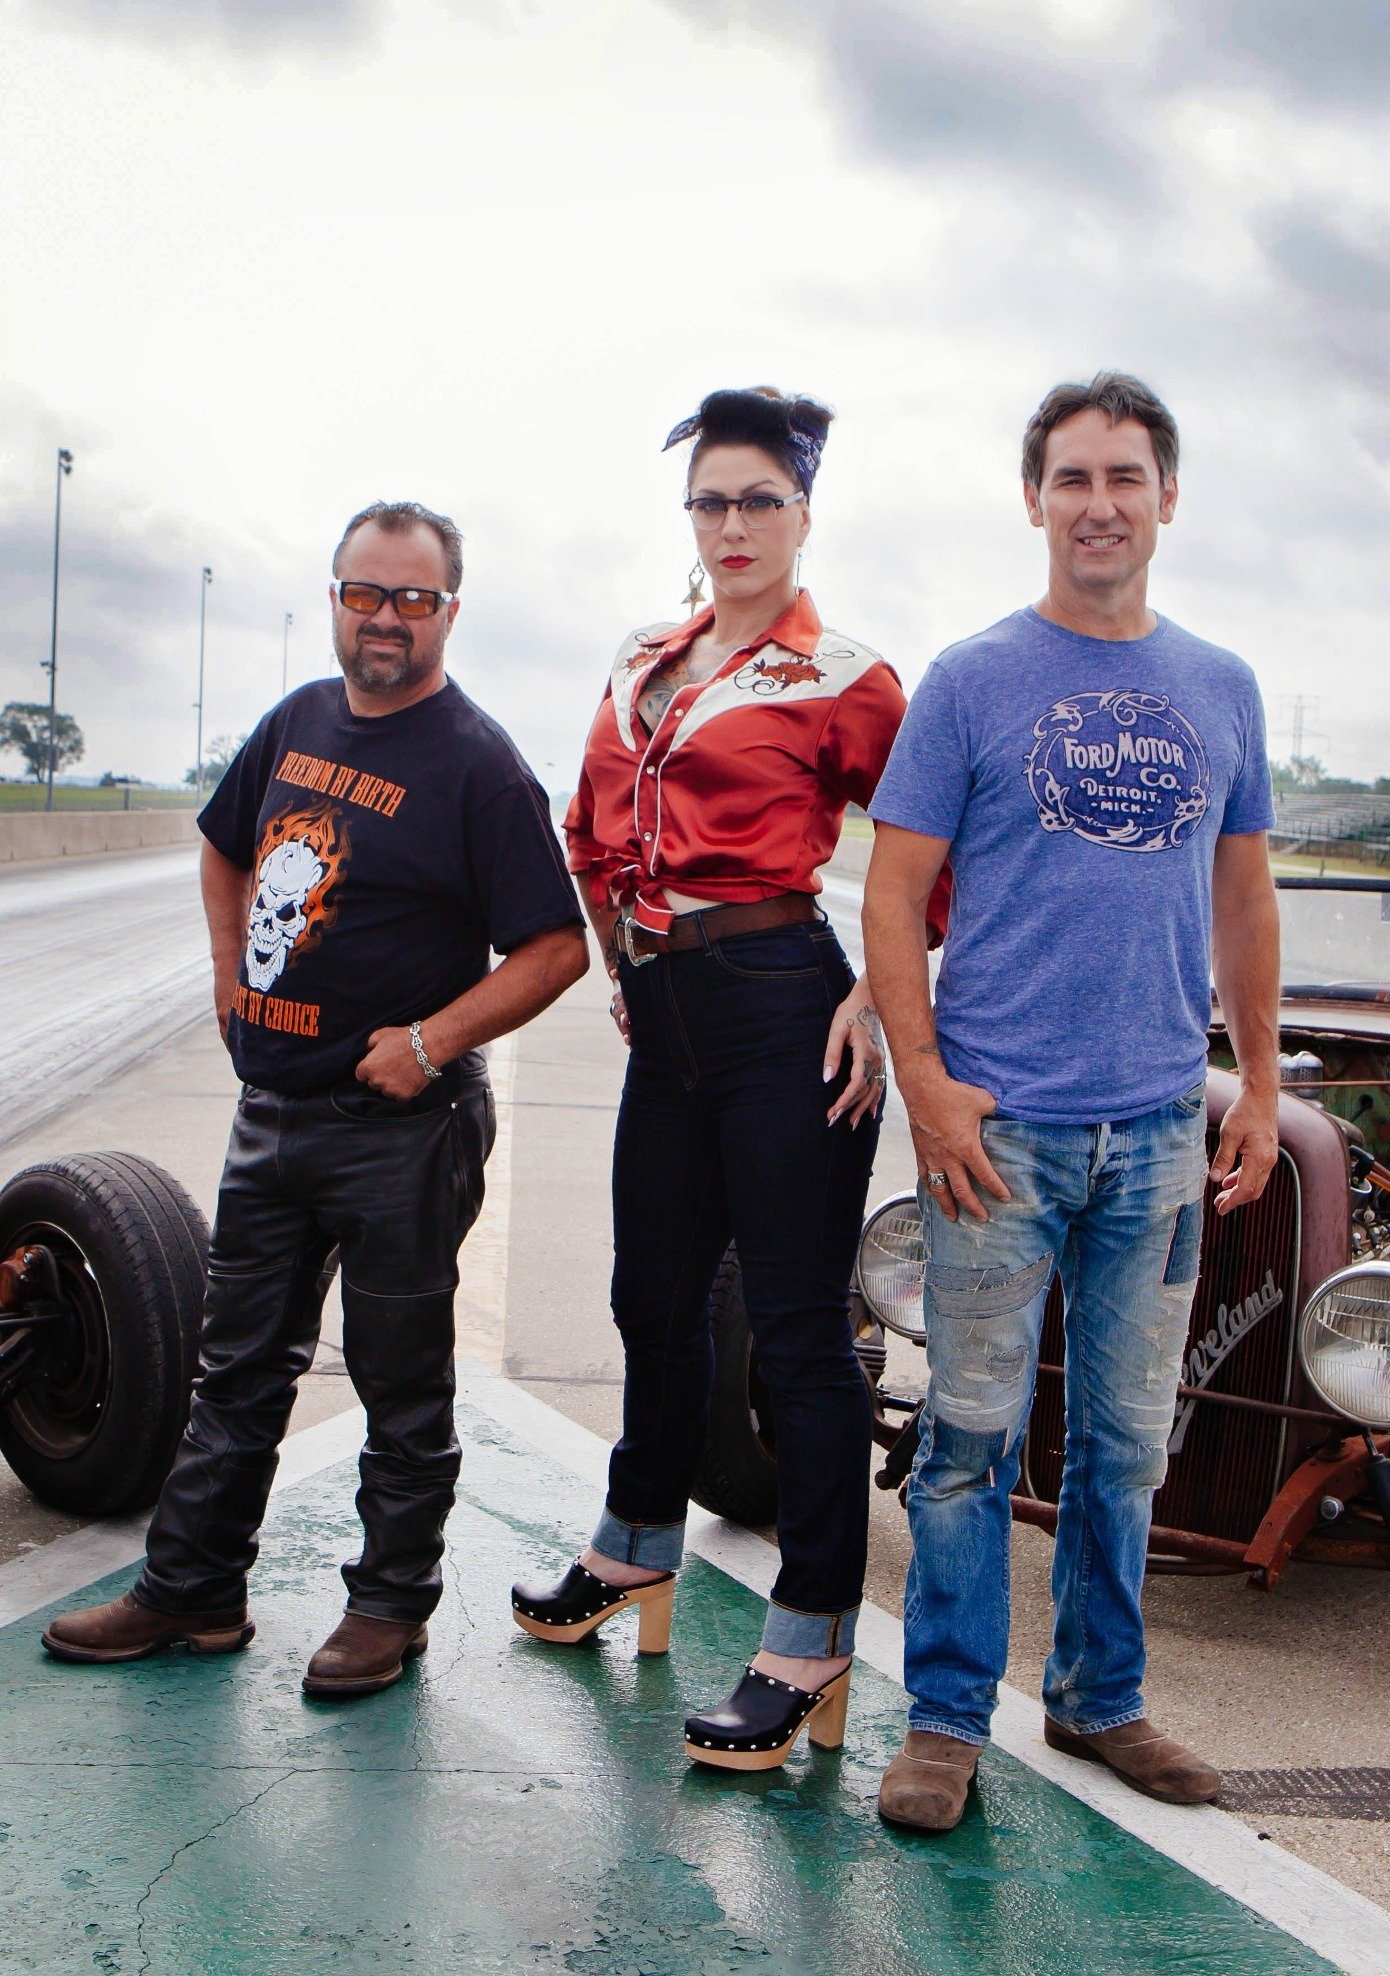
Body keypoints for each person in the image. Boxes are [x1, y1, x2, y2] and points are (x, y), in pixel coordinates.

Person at [44, 500, 588, 1698]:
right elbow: (225, 845)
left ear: (450, 608)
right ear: (336, 595)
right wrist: (231, 973)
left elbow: (556, 948)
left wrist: (434, 1041)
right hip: (272, 1113)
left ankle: (389, 1607)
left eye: (413, 597)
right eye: (364, 592)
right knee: (233, 1371)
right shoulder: (295, 719)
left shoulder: (479, 764)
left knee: (401, 1385)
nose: (385, 616)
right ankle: (192, 1589)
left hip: (401, 1129)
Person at [863, 372, 1280, 1829]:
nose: (1098, 503)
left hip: (1160, 1127)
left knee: (1124, 1441)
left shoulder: (1223, 687)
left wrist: (1262, 1082)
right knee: (969, 1437)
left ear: (1169, 496)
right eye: (1071, 478)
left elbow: (1241, 896)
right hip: (1003, 1136)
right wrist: (927, 1090)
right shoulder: (974, 679)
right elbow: (897, 889)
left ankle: (1102, 1701)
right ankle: (945, 1720)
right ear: (1033, 498)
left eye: (1125, 476)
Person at [512, 387, 943, 1772]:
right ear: (688, 517)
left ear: (806, 514)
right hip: (672, 1011)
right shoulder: (644, 654)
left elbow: (938, 859)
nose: (736, 523)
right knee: (651, 1294)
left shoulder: (849, 676)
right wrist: (626, 968)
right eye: (713, 500)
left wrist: (878, 995)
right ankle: (636, 1548)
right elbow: (586, 829)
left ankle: (811, 1632)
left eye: (762, 499)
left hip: (783, 1004)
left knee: (802, 1329)